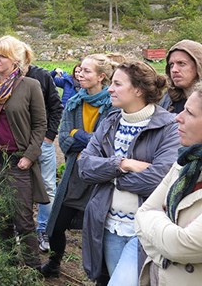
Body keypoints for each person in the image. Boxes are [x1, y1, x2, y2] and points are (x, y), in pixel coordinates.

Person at [78, 61, 180, 286]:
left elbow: (158, 179)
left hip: (142, 229)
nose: (110, 89)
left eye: (117, 84)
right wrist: (123, 164)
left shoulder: (168, 127)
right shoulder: (110, 122)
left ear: (138, 90)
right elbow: (84, 167)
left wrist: (108, 175)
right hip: (108, 225)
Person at [0, 35, 48, 270]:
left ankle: (33, 269)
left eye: (2, 56)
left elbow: (40, 125)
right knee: (1, 216)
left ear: (14, 60)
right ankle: (9, 265)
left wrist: (29, 156)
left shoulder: (30, 86)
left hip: (18, 162)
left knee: (23, 220)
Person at [41, 54, 117, 278]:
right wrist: (87, 139)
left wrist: (80, 135)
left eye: (86, 71)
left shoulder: (113, 106)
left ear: (101, 76)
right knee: (55, 226)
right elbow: (64, 140)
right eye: (80, 70)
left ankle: (102, 277)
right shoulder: (74, 102)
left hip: (99, 180)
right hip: (74, 175)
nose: (80, 74)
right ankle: (54, 264)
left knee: (97, 233)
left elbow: (107, 145)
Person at [135, 83, 202, 286]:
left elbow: (182, 246)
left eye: (189, 113)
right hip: (158, 275)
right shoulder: (185, 163)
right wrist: (168, 241)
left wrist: (155, 220)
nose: (177, 117)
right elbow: (141, 213)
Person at [31, 59, 64, 254]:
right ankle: (23, 228)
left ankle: (43, 229)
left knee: (48, 186)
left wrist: (50, 136)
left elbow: (56, 107)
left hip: (44, 142)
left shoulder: (41, 75)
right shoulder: (5, 76)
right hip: (20, 142)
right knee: (21, 186)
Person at [160, 40, 202, 114]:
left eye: (181, 63)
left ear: (198, 66)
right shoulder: (167, 101)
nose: (174, 70)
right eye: (171, 65)